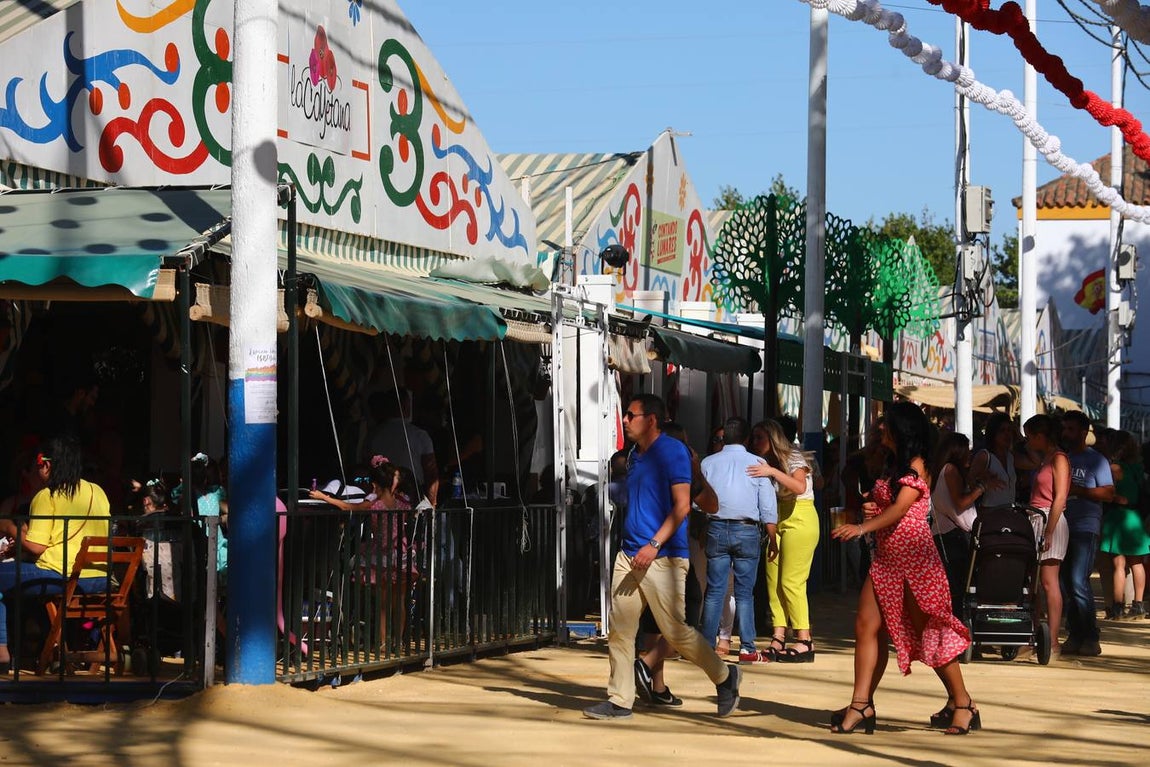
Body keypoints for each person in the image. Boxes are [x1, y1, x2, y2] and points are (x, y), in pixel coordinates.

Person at [583, 394, 740, 721]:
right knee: (621, 630)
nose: (624, 420)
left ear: (651, 420)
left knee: (676, 632)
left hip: (663, 558)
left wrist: (653, 544)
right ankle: (620, 699)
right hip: (629, 555)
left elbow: (683, 505)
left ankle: (726, 677)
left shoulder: (672, 451)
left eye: (630, 415)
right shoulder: (635, 455)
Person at [831, 401, 978, 736]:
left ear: (902, 429)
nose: (880, 427)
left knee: (931, 633)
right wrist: (871, 506)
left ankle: (963, 701)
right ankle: (861, 704)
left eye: (886, 423)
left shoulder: (918, 465)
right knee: (866, 626)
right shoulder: (892, 463)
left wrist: (863, 528)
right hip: (886, 559)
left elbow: (900, 509)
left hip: (915, 559)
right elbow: (888, 505)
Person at [0, 436, 111, 671]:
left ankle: (1, 650)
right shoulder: (97, 491)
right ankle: (43, 650)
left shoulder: (46, 496)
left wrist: (8, 526)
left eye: (38, 464)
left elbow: (36, 546)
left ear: (47, 465)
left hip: (61, 576)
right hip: (100, 578)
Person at [312, 456, 420, 651]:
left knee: (383, 604)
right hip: (401, 553)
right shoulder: (403, 503)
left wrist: (324, 497)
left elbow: (348, 506)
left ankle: (383, 643)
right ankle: (399, 641)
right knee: (400, 602)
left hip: (382, 554)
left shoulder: (375, 504)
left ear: (375, 484)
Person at [699, 417, 778, 664]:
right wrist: (773, 537)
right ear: (745, 439)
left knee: (714, 591)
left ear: (724, 438)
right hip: (747, 531)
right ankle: (747, 649)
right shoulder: (758, 463)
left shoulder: (708, 463)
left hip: (716, 528)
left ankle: (706, 646)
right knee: (745, 593)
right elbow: (767, 505)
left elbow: (697, 500)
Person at [748, 419, 819, 662]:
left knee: (792, 581)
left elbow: (799, 486)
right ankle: (779, 633)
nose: (755, 443)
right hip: (777, 518)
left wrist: (773, 472)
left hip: (800, 516)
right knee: (773, 579)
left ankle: (804, 638)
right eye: (753, 438)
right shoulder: (764, 462)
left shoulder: (794, 458)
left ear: (772, 439)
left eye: (760, 438)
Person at [1059, 410, 1114, 656]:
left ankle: (1090, 635)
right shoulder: (1063, 458)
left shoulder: (1096, 460)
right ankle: (1075, 633)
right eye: (1065, 429)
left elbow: (1108, 493)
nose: (1066, 433)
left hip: (1085, 526)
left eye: (1071, 429)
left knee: (1079, 581)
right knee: (1066, 584)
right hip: (1063, 526)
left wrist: (1079, 491)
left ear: (1083, 433)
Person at [929, 432, 996, 615]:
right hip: (955, 537)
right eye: (967, 450)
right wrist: (981, 488)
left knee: (954, 589)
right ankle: (960, 633)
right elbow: (960, 503)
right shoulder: (951, 470)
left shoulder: (941, 470)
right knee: (960, 590)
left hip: (945, 535)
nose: (970, 454)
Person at [1022, 414, 1071, 660]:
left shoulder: (1059, 458)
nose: (1028, 441)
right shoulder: (1046, 459)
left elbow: (1060, 497)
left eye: (1030, 436)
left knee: (1049, 581)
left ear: (1041, 436)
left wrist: (1049, 530)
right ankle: (1037, 638)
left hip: (1049, 519)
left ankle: (1052, 641)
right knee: (1036, 583)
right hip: (1036, 519)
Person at [1096, 429, 1149, 620]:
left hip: (1118, 518)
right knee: (1137, 563)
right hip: (1135, 518)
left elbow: (1108, 493)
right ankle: (1138, 605)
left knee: (1119, 563)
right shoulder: (1138, 468)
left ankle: (1117, 607)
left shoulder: (1114, 468)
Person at [367, 387, 439, 507]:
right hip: (412, 497)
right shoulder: (419, 435)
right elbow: (431, 472)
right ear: (406, 406)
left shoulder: (373, 435)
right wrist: (432, 504)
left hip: (382, 499)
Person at [969, 413, 1018, 509]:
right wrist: (984, 484)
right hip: (989, 512)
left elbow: (1035, 461)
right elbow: (969, 481)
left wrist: (1018, 434)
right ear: (993, 433)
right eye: (1002, 430)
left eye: (1009, 430)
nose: (1007, 434)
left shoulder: (1011, 457)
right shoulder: (985, 456)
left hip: (1009, 512)